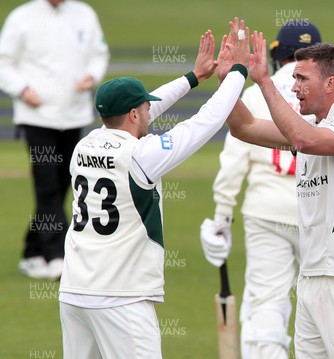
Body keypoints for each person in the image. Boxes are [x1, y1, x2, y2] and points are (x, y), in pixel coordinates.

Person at [58, 27, 249, 358]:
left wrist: (192, 77)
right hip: (121, 297)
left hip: (73, 293)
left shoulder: (84, 145)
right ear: (133, 113)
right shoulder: (141, 156)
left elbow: (143, 117)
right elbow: (205, 122)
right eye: (144, 107)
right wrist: (238, 71)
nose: (149, 111)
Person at [200, 21, 334, 359]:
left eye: (302, 79)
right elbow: (244, 127)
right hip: (313, 277)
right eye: (294, 78)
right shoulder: (313, 126)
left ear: (331, 84)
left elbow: (305, 140)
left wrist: (264, 81)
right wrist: (229, 79)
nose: (295, 87)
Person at [0, 0, 110, 280]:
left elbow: (99, 54)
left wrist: (91, 76)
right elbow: (4, 62)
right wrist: (21, 89)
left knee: (64, 183)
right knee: (46, 184)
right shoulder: (22, 17)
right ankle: (56, 255)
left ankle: (31, 251)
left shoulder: (84, 14)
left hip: (73, 114)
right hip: (37, 115)